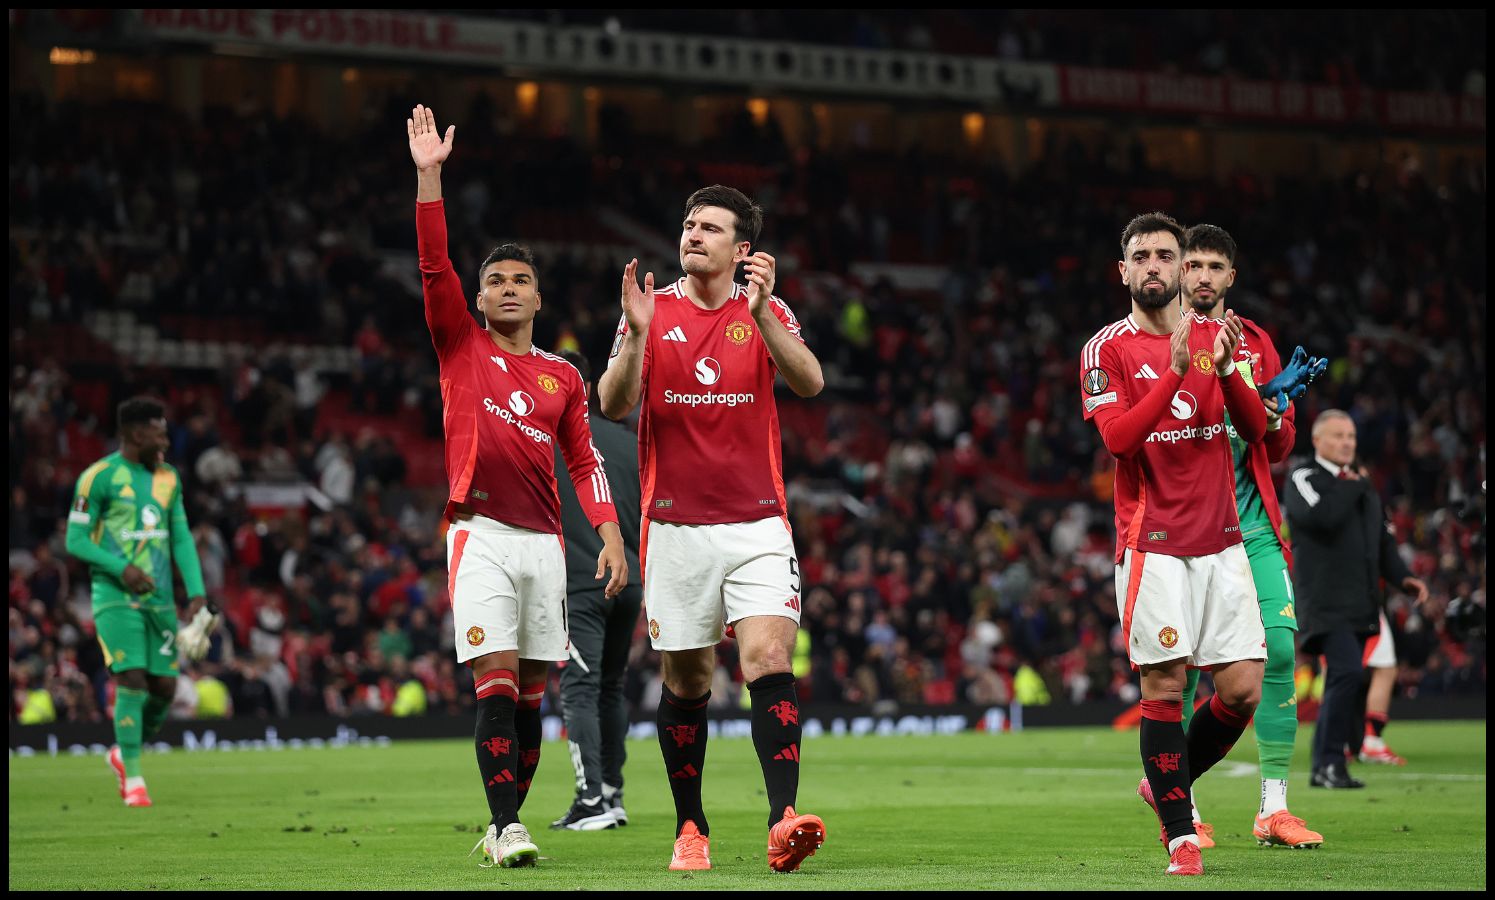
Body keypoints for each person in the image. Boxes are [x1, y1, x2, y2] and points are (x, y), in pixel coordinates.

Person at [408, 104, 628, 868]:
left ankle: (504, 818)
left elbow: (585, 462)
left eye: (520, 280)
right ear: (476, 300)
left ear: (538, 300)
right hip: (482, 537)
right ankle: (506, 826)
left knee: (532, 701)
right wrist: (429, 176)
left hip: (545, 548)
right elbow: (434, 264)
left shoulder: (564, 375)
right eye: (495, 279)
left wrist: (606, 531)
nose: (507, 288)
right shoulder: (459, 347)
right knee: (495, 684)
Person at [596, 184, 827, 873]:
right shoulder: (650, 308)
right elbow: (611, 403)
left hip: (758, 522)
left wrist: (763, 319)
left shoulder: (766, 309)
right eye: (688, 224)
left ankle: (782, 820)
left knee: (766, 660)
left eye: (709, 228)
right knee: (689, 681)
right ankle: (690, 827)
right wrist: (636, 335)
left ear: (741, 249)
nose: (692, 235)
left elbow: (810, 382)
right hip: (674, 528)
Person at [1079, 212, 1268, 877]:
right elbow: (1118, 440)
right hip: (1152, 543)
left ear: (1185, 268)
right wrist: (1176, 372)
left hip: (1220, 540)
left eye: (1168, 255)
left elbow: (1256, 431)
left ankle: (1166, 779)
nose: (1156, 265)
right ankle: (1180, 836)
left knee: (1243, 688)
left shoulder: (1222, 337)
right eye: (1143, 256)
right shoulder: (1106, 349)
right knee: (1164, 684)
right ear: (1124, 270)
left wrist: (1226, 373)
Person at [1176, 224, 1326, 849]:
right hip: (1181, 528)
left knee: (1283, 655)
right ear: (1179, 272)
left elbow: (1282, 441)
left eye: (1216, 266)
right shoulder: (1156, 339)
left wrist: (1270, 415)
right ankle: (1180, 808)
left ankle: (1273, 808)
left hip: (1253, 526)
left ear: (1230, 277)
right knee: (1177, 668)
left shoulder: (1256, 342)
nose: (1204, 276)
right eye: (1195, 264)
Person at [65, 396, 214, 808]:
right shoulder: (97, 478)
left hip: (161, 600)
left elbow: (181, 537)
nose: (165, 439)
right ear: (133, 434)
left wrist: (197, 591)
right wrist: (122, 568)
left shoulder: (169, 479)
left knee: (164, 687)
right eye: (158, 432)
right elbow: (75, 540)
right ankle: (134, 779)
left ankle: (123, 750)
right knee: (130, 678)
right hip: (115, 596)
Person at [1282, 410, 1428, 789]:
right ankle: (1327, 763)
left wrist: (1404, 579)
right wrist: (1355, 485)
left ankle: (1335, 764)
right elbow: (1323, 517)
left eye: (1350, 436)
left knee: (1350, 678)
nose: (1347, 442)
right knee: (1345, 673)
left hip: (1363, 601)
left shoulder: (1361, 486)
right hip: (1326, 601)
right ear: (1317, 441)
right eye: (1338, 436)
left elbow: (1381, 542)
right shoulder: (1305, 477)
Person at [549, 350, 644, 832]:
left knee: (580, 690)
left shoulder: (548, 444)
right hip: (630, 582)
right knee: (612, 688)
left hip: (580, 582)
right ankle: (612, 792)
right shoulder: (630, 444)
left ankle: (590, 801)